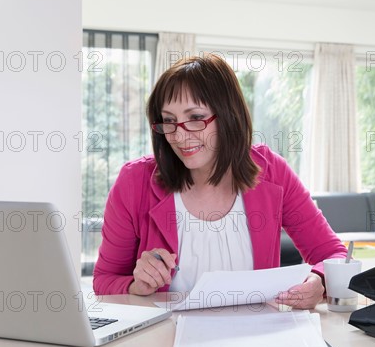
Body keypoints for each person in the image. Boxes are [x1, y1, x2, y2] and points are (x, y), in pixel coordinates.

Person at [93, 54, 347, 309]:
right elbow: (104, 280)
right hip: (167, 339)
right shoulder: (134, 182)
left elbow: (334, 255)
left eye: (195, 117)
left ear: (228, 116)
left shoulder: (272, 172)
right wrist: (136, 286)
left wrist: (320, 281)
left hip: (257, 340)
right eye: (169, 121)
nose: (179, 136)